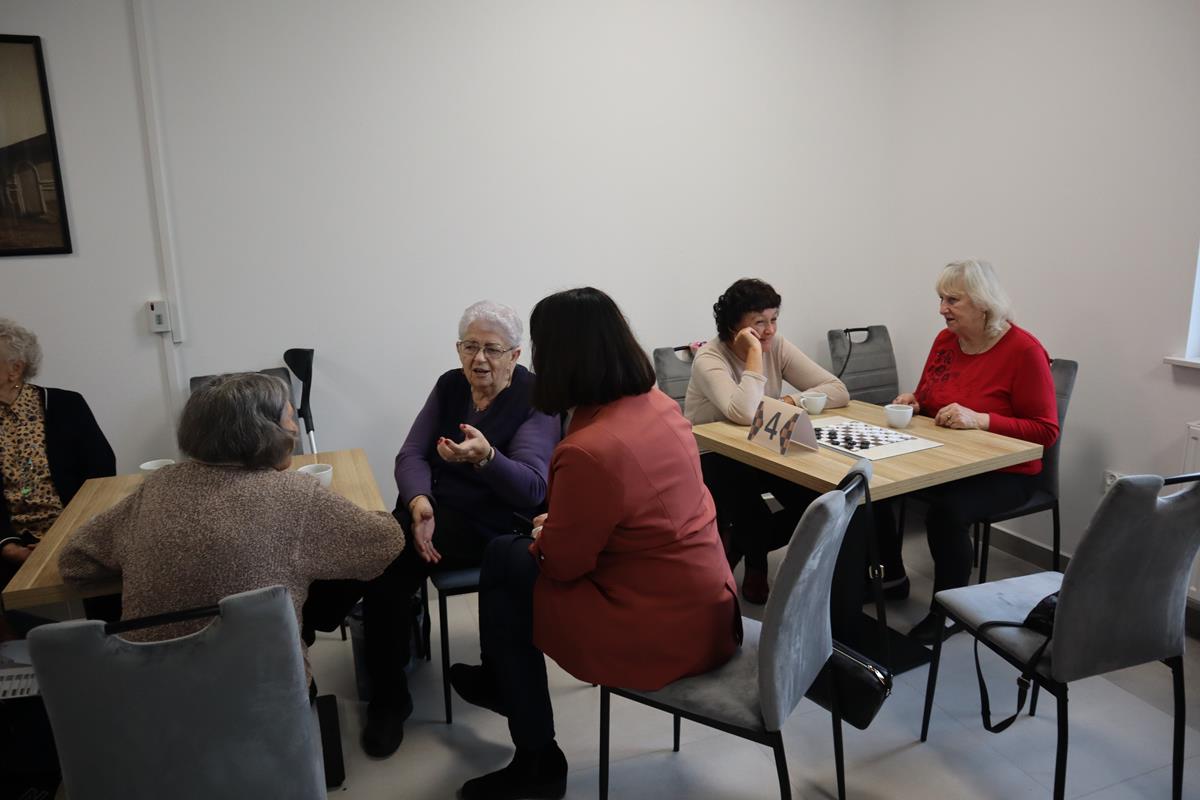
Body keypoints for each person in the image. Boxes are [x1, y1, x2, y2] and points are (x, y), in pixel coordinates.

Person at [449, 287, 741, 800]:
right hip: (708, 605)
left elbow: (564, 565)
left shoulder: (590, 448)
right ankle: (502, 682)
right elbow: (637, 511)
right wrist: (564, 523)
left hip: (661, 629)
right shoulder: (657, 405)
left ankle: (537, 756)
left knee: (509, 567)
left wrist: (550, 532)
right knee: (506, 557)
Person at [302, 300, 560, 759]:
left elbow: (532, 486)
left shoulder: (536, 398)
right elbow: (411, 454)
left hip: (493, 526)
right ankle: (385, 690)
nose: (479, 359)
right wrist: (421, 503)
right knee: (387, 566)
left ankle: (344, 647)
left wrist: (487, 458)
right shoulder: (450, 385)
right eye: (470, 346)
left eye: (492, 349)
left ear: (515, 355)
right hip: (431, 513)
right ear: (458, 349)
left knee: (385, 549)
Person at [57, 373, 405, 679]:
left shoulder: (158, 485)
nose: (295, 428)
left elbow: (75, 562)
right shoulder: (295, 493)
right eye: (288, 417)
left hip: (152, 694)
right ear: (266, 431)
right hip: (264, 692)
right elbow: (386, 542)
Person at [889, 260, 1058, 644]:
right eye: (940, 299)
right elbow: (930, 395)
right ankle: (891, 578)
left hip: (1009, 474)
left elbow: (1046, 432)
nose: (942, 309)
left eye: (952, 300)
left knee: (946, 514)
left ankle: (949, 613)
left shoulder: (1024, 350)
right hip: (949, 461)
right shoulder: (945, 341)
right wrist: (915, 401)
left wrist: (981, 420)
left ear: (983, 303)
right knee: (876, 487)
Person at [684, 278, 849, 603]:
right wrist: (754, 353)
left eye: (774, 319)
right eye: (759, 322)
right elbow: (744, 412)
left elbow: (838, 390)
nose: (770, 329)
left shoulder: (779, 345)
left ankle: (741, 544)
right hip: (713, 452)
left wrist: (789, 401)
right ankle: (756, 564)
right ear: (734, 327)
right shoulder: (709, 358)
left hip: (761, 444)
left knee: (815, 502)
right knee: (753, 511)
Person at [0, 319, 115, 593]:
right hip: (10, 542)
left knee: (107, 585)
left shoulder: (66, 405)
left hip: (76, 531)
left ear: (15, 369)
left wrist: (72, 534)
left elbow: (101, 472)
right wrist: (9, 546)